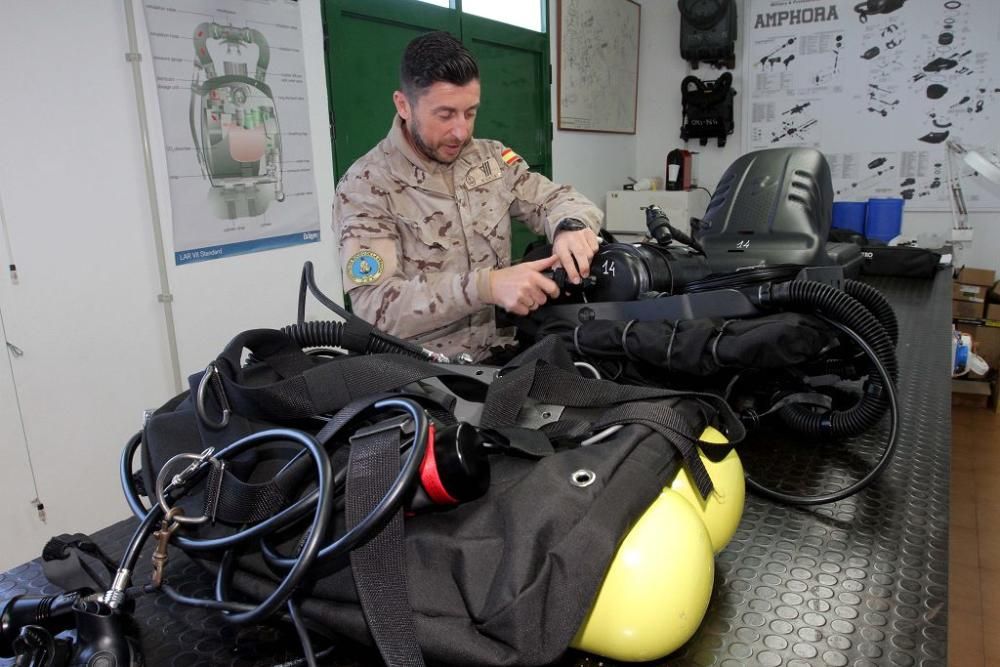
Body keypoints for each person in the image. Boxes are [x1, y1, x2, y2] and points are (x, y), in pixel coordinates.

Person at [334, 31, 603, 361]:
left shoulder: (491, 159)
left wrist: (571, 227)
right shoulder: (366, 185)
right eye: (445, 115)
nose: (461, 131)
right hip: (420, 376)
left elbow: (555, 198)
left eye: (470, 113)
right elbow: (375, 308)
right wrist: (486, 286)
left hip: (500, 358)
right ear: (403, 105)